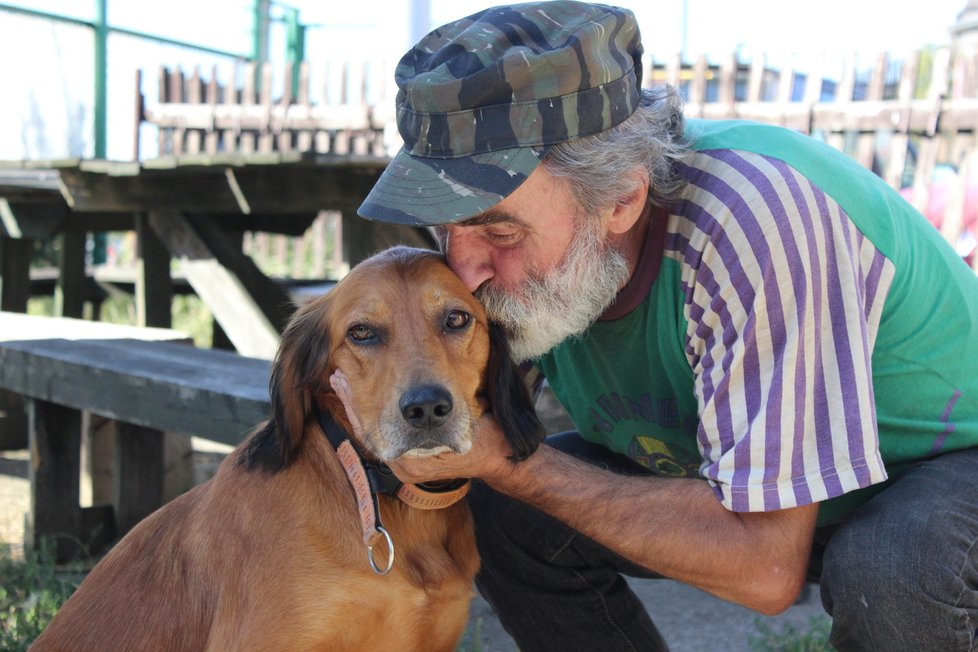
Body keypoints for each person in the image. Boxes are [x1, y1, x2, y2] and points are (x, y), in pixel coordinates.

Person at [350, 2, 978, 650]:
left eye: (499, 229)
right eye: (445, 227)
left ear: (621, 198)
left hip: (948, 467)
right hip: (760, 484)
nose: (465, 266)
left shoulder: (751, 221)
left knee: (894, 559)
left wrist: (512, 464)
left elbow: (765, 566)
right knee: (504, 512)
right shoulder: (524, 266)